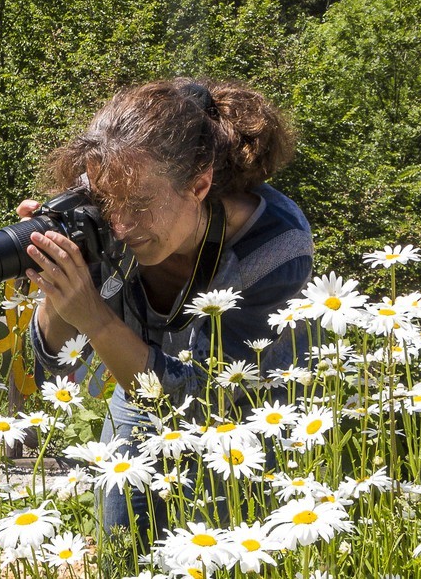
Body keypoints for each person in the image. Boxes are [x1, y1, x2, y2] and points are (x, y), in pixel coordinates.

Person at [26, 78, 313, 549]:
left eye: (139, 205)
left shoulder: (275, 247)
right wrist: (56, 282)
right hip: (139, 391)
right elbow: (53, 359)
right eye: (107, 203)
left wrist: (96, 319)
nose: (120, 226)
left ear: (199, 184)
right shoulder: (109, 216)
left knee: (222, 555)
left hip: (247, 418)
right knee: (122, 551)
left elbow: (202, 397)